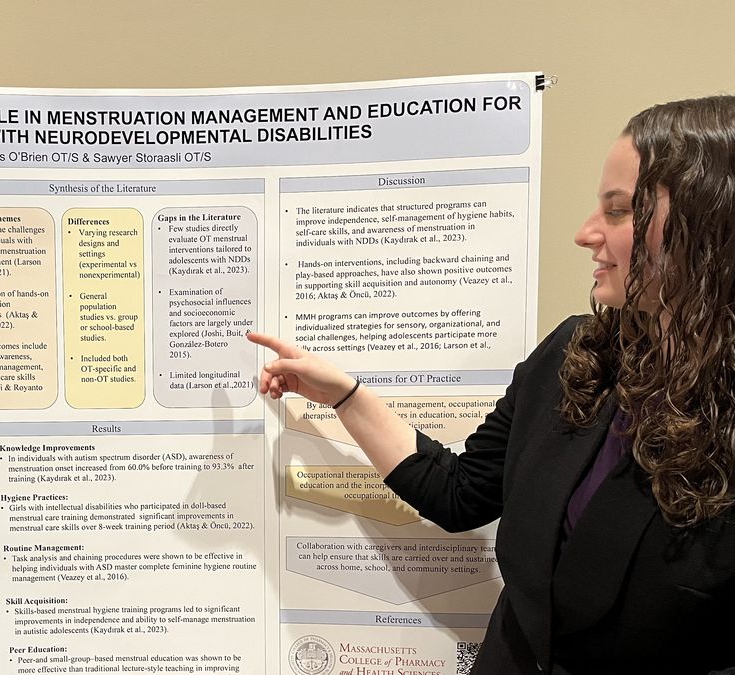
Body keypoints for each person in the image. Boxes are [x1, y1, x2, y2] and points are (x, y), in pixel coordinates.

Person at [250, 95, 735, 675]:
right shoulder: (578, 355)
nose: (585, 234)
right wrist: (346, 398)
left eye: (619, 210)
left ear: (708, 224)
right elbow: (461, 494)